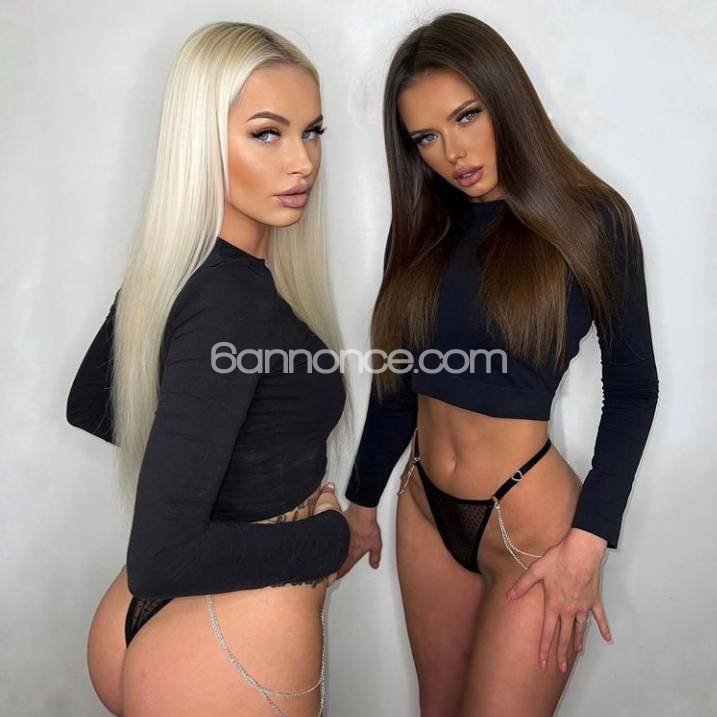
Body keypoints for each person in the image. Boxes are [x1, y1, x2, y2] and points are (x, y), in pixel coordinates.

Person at [337, 12, 659, 717]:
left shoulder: (593, 220)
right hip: (424, 510)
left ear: (503, 99)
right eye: (425, 137)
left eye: (466, 116)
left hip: (533, 529)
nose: (452, 152)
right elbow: (397, 381)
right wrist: (362, 502)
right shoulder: (423, 227)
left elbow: (634, 389)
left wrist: (588, 542)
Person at [65, 22, 352, 717]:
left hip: (150, 620)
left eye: (312, 132)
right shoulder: (233, 300)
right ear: (200, 140)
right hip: (229, 629)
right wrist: (326, 539)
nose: (303, 161)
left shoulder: (177, 269)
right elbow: (163, 556)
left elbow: (92, 404)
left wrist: (215, 458)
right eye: (267, 133)